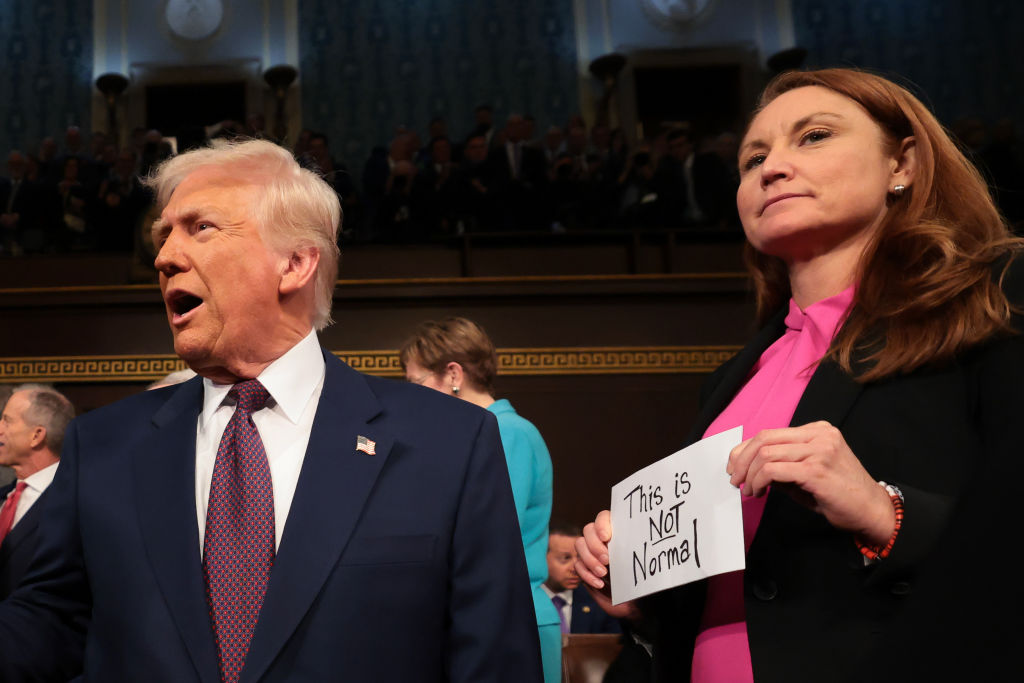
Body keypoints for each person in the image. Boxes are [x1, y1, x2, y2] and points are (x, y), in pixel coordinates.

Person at [0, 139, 542, 682]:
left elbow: (495, 661)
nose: (164, 257)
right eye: (165, 234)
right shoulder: (103, 446)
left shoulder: (450, 442)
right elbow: (53, 624)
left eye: (200, 227)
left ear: (295, 263)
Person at [575, 68, 1024, 683]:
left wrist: (883, 510)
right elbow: (727, 603)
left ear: (905, 164)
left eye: (813, 136)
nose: (772, 167)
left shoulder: (999, 294)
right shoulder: (734, 376)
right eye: (753, 157)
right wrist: (642, 595)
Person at [400, 317, 561, 683]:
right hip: (486, 616)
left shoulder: (507, 431)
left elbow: (489, 534)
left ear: (453, 374)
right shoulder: (480, 433)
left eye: (417, 383)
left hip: (510, 619)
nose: (411, 395)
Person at [0, 385, 74, 599]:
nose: (0, 428)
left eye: (7, 420)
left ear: (37, 435)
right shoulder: (5, 497)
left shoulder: (75, 503)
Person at [543, 522, 621, 635]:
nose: (575, 567)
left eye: (579, 556)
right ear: (542, 558)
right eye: (566, 558)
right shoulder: (522, 601)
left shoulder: (600, 601)